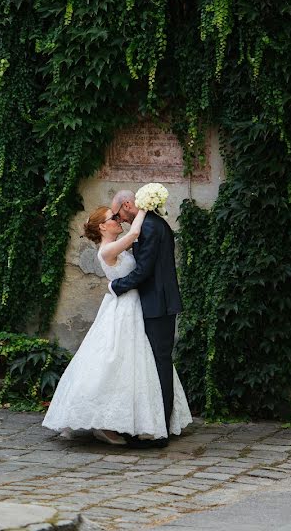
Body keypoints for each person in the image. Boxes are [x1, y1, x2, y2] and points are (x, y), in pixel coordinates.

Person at [42, 204, 191, 446]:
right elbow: (134, 235)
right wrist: (144, 206)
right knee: (115, 360)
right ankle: (104, 425)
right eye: (114, 218)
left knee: (137, 363)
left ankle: (137, 419)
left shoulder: (119, 246)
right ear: (102, 226)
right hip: (122, 309)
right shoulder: (107, 249)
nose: (118, 220)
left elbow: (141, 250)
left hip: (133, 306)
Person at [109, 189, 187, 448]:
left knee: (160, 364)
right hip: (155, 304)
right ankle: (156, 424)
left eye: (118, 215)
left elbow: (143, 271)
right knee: (156, 365)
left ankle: (160, 431)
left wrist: (115, 287)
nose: (118, 221)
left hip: (159, 305)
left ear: (128, 205)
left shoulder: (150, 228)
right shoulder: (151, 223)